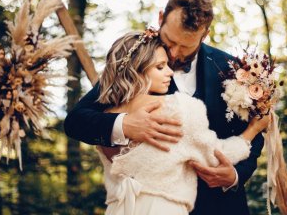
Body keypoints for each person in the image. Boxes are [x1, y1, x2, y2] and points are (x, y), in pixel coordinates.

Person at [64, 0, 265, 214]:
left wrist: (235, 176)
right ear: (161, 18)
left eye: (186, 46)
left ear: (204, 35)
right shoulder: (137, 64)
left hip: (222, 206)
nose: (174, 54)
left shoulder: (232, 70)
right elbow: (76, 121)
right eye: (169, 41)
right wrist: (125, 124)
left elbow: (254, 132)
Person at [92, 31, 270, 214]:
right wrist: (253, 129)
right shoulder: (179, 108)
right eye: (160, 67)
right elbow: (217, 156)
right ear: (135, 71)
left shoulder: (106, 117)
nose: (170, 71)